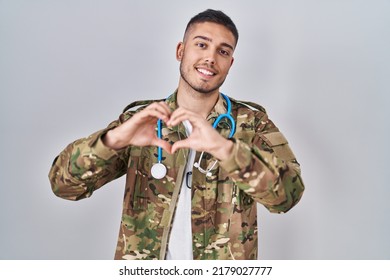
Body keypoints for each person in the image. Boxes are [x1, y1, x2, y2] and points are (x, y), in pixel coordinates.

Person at [49, 9, 304, 260]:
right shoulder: (143, 121)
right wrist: (114, 139)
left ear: (230, 63)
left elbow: (287, 196)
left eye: (223, 51)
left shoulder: (252, 123)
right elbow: (64, 185)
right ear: (180, 51)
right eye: (201, 45)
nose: (211, 58)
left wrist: (226, 150)